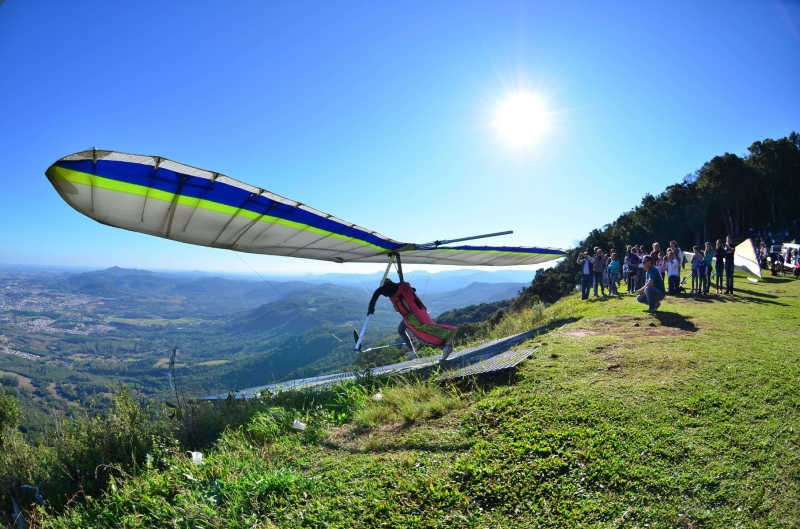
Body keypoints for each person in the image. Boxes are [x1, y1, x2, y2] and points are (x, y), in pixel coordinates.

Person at [368, 277, 456, 360]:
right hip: (415, 312)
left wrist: (371, 305)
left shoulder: (389, 288)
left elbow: (377, 291)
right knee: (401, 330)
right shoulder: (400, 286)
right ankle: (412, 352)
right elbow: (412, 290)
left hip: (413, 316)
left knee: (422, 332)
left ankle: (445, 346)